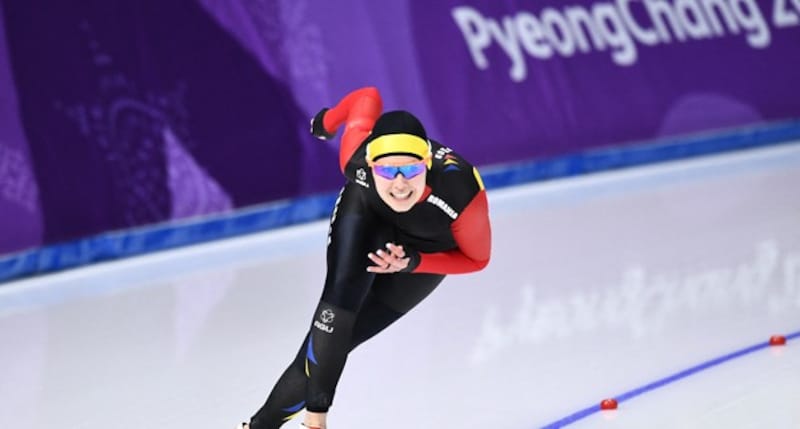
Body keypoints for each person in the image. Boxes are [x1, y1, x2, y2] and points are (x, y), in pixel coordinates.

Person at [238, 87, 491, 429]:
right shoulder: (355, 158)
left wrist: (414, 262)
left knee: (341, 339)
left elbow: (477, 260)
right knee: (333, 320)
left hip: (426, 251)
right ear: (370, 166)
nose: (400, 184)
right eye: (387, 172)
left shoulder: (461, 192)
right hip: (367, 219)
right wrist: (328, 121)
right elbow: (367, 96)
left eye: (411, 171)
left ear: (427, 165)